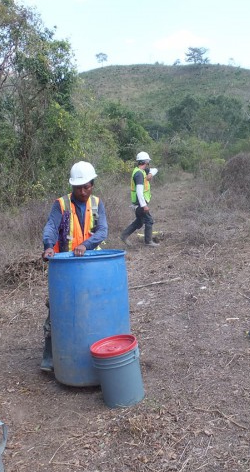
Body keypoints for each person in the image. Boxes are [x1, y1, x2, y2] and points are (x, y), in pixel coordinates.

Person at [40, 161, 108, 372]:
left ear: (92, 184)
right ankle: (50, 355)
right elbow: (51, 226)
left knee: (92, 307)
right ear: (72, 186)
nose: (82, 191)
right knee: (58, 308)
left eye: (86, 186)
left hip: (90, 266)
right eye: (78, 187)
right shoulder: (60, 204)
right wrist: (49, 246)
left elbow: (102, 231)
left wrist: (85, 245)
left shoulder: (97, 204)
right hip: (65, 267)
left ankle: (90, 350)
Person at [120, 151, 160, 247]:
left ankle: (124, 235)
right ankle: (148, 242)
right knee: (149, 220)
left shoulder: (142, 171)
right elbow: (139, 191)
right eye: (148, 162)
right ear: (146, 162)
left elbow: (155, 170)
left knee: (140, 221)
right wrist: (144, 205)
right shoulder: (139, 174)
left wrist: (150, 174)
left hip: (138, 203)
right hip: (140, 203)